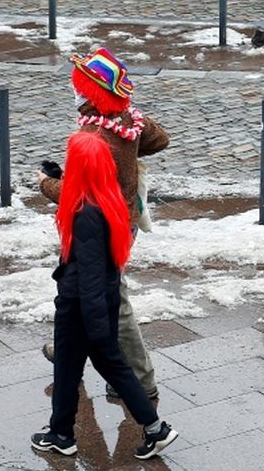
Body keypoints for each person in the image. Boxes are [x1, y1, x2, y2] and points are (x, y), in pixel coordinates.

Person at [31, 131, 179, 461]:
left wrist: (96, 328)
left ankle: (65, 433)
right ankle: (64, 432)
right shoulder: (108, 196)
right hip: (99, 300)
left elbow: (91, 275)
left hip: (82, 305)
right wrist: (53, 181)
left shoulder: (86, 213)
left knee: (93, 365)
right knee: (82, 368)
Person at [37, 47, 169, 400]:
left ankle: (142, 379)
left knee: (112, 297)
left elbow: (74, 195)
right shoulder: (122, 122)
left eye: (78, 86)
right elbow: (159, 139)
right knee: (85, 285)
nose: (74, 91)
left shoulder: (95, 136)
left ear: (90, 93)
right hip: (124, 219)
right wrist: (126, 115)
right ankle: (63, 350)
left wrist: (45, 183)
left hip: (101, 225)